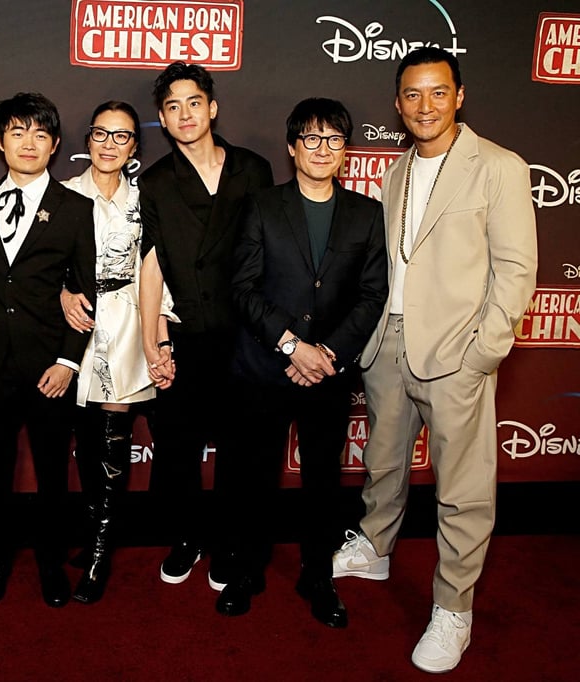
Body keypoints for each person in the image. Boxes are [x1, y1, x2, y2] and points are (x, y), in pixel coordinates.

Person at [331, 47, 537, 672]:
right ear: (398, 104)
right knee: (382, 461)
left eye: (438, 93)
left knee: (463, 489)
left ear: (459, 95)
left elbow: (517, 268)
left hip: (456, 351)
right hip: (388, 344)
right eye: (413, 95)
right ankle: (374, 545)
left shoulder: (498, 167)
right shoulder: (395, 171)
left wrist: (482, 352)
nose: (425, 106)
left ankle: (454, 608)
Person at [225, 98, 387, 624]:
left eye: (334, 140)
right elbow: (243, 288)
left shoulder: (367, 213)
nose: (323, 150)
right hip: (265, 368)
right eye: (312, 139)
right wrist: (295, 346)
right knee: (256, 477)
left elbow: (371, 295)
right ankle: (248, 568)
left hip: (330, 373)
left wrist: (329, 353)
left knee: (323, 481)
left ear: (346, 151)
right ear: (293, 148)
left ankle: (317, 574)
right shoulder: (263, 205)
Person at [136, 61, 273, 592]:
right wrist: (152, 341)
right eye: (172, 107)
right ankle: (187, 536)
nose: (185, 113)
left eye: (194, 102)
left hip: (246, 333)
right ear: (163, 121)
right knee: (178, 445)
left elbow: (271, 255)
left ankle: (228, 540)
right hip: (187, 331)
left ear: (212, 107)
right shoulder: (156, 183)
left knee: (241, 447)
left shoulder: (253, 170)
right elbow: (150, 264)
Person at [0, 92, 97, 608]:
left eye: (40, 134)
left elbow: (88, 291)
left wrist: (68, 360)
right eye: (17, 133)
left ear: (56, 145)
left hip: (50, 367)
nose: (28, 143)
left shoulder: (76, 208)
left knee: (51, 475)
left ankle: (49, 564)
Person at [59, 101, 175, 604]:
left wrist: (159, 335)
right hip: (75, 328)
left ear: (134, 147)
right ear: (87, 139)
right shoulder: (61, 196)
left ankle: (101, 555)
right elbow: (41, 265)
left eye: (122, 136)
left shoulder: (145, 201)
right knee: (86, 442)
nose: (109, 144)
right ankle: (93, 533)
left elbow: (157, 268)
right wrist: (61, 295)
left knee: (111, 441)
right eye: (101, 133)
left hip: (127, 324)